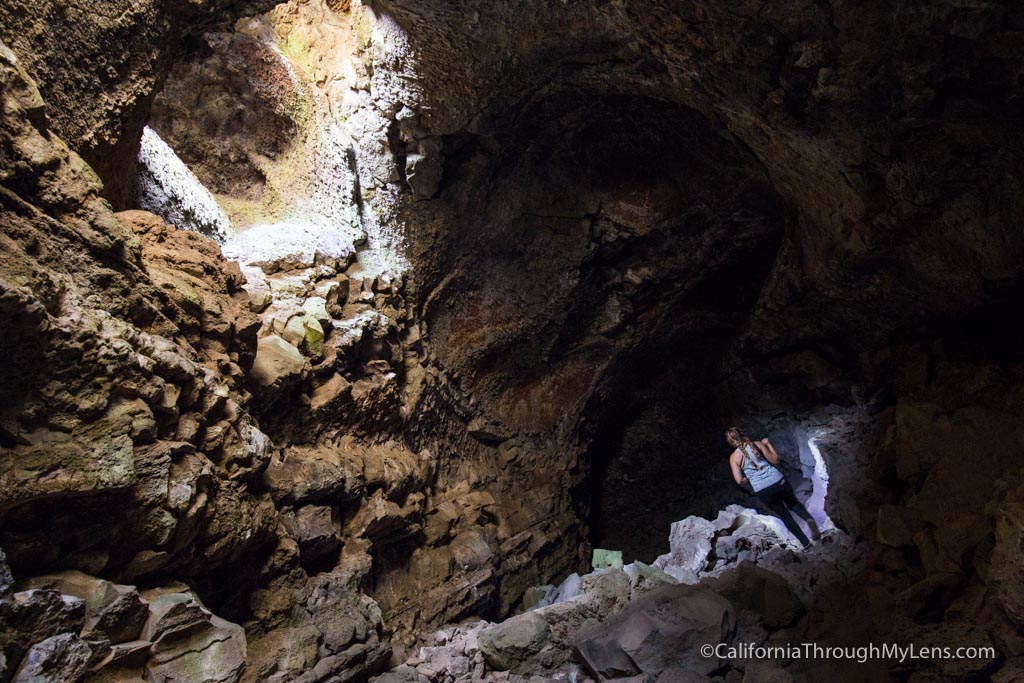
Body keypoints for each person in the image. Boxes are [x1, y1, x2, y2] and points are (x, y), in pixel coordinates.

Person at [726, 427, 821, 547]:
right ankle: (809, 520)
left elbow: (739, 480)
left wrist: (750, 478)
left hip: (763, 490)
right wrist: (768, 444)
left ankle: (806, 544)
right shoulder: (757, 444)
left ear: (731, 442)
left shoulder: (734, 458)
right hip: (778, 480)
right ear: (742, 434)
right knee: (794, 504)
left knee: (784, 515)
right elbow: (776, 460)